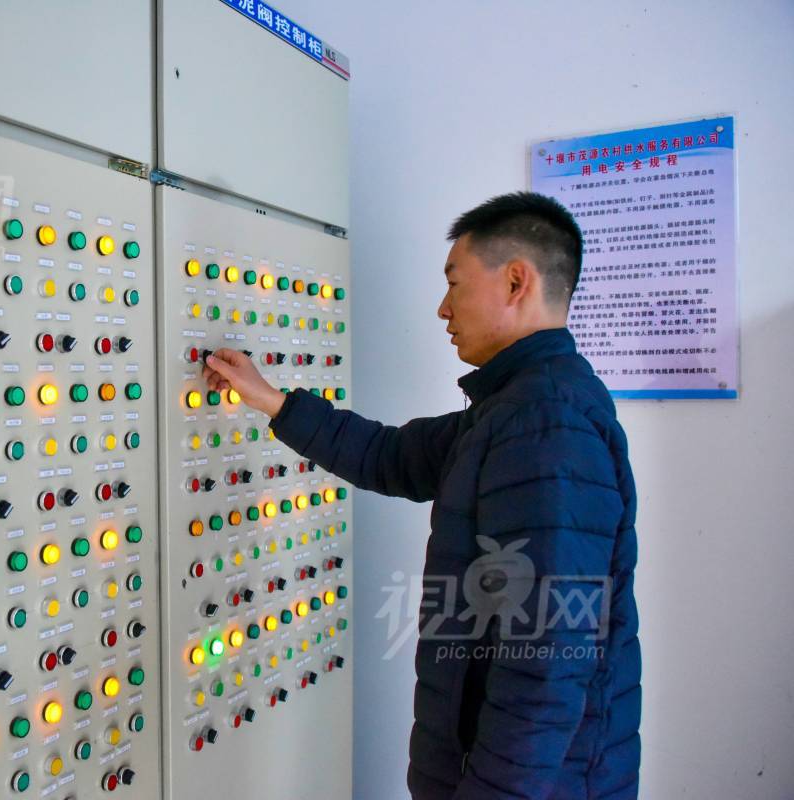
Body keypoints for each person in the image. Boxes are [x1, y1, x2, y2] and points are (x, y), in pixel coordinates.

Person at [203, 192, 641, 799]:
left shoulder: (546, 423)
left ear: (516, 281)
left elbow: (544, 663)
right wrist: (274, 402)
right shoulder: (517, 407)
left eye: (454, 283)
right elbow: (393, 457)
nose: (442, 307)